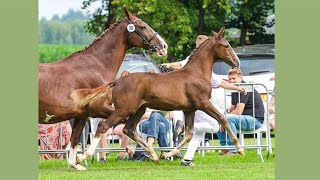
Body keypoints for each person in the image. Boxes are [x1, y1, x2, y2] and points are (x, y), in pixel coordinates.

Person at [162, 35, 247, 166]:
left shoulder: (196, 64)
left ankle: (187, 159)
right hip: (199, 103)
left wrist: (167, 64)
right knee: (213, 127)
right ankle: (186, 130)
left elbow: (179, 65)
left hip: (193, 103)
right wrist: (237, 88)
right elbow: (220, 83)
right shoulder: (198, 66)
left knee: (200, 133)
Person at [217, 68, 265, 155]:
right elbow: (233, 108)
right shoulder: (235, 89)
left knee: (226, 119)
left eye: (234, 78)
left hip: (255, 121)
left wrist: (224, 119)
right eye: (230, 79)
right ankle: (225, 148)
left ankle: (233, 150)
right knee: (217, 118)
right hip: (242, 119)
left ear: (241, 77)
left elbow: (238, 111)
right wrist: (224, 114)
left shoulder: (245, 88)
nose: (231, 81)